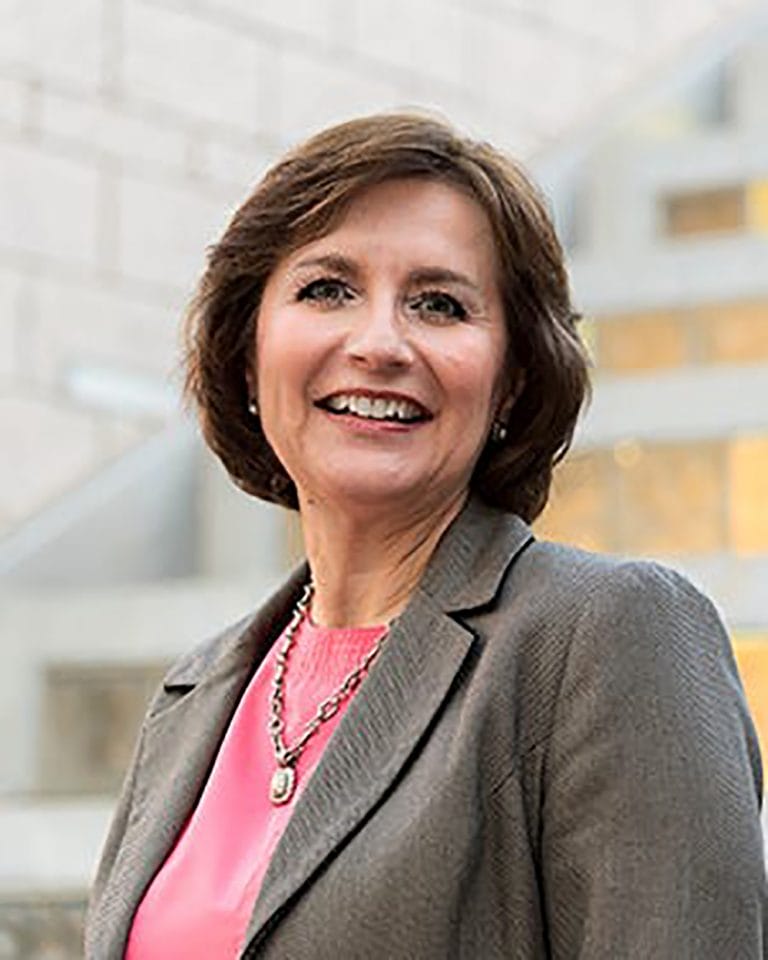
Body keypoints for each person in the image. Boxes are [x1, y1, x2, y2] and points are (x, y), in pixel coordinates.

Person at [85, 113, 766, 959]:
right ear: (248, 354)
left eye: (439, 305)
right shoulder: (196, 693)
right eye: (327, 289)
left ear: (512, 380)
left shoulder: (608, 638)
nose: (379, 344)